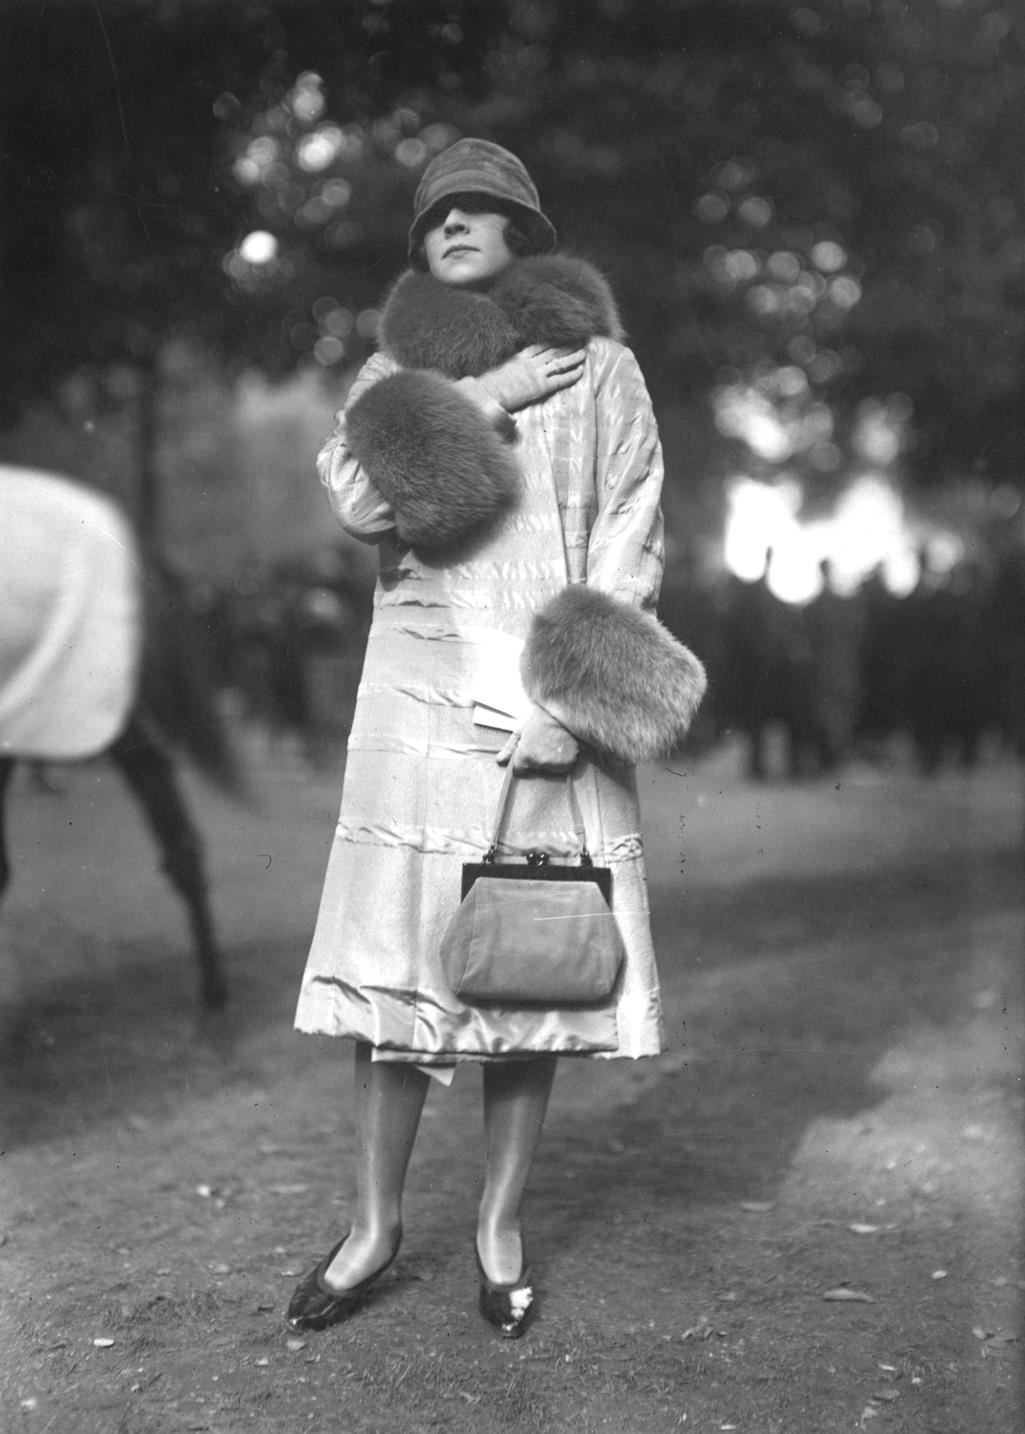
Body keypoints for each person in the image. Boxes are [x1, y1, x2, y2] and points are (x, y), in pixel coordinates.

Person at [286, 138, 705, 1339]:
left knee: (531, 962)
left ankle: (498, 1227)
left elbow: (632, 539)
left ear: (526, 232)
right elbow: (361, 505)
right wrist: (481, 400)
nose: (457, 222)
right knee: (396, 976)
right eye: (437, 214)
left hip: (541, 704)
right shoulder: (387, 376)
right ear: (417, 245)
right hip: (414, 707)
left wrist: (567, 708)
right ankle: (373, 1231)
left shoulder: (605, 371)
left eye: (485, 208)